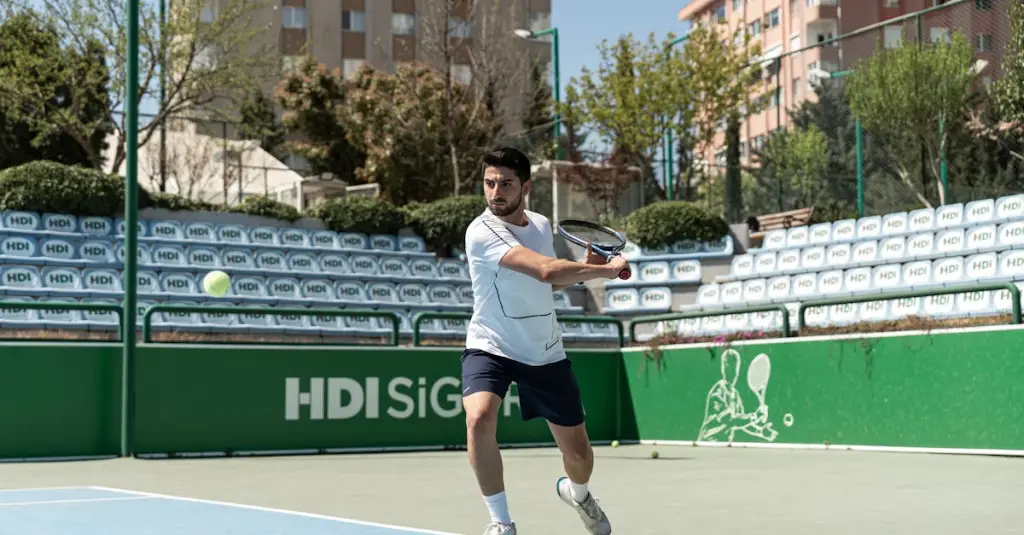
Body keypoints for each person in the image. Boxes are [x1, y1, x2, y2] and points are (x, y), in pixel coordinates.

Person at [461, 146, 628, 535]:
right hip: (492, 344)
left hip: (544, 351)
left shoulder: (539, 225)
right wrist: (604, 270)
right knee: (478, 417)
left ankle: (578, 493)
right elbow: (545, 270)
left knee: (580, 456)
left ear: (526, 187)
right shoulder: (481, 231)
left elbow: (552, 281)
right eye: (489, 183)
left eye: (505, 183)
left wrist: (587, 270)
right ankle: (501, 523)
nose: (495, 192)